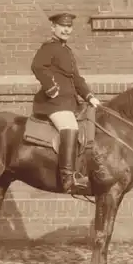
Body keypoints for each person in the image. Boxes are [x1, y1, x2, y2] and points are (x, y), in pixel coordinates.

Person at [31, 12, 101, 194]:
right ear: (53, 27)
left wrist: (90, 97)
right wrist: (51, 88)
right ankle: (67, 178)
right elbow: (37, 66)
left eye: (69, 27)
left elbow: (76, 79)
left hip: (70, 103)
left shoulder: (67, 51)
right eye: (62, 26)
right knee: (70, 128)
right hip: (53, 103)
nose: (66, 29)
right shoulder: (49, 47)